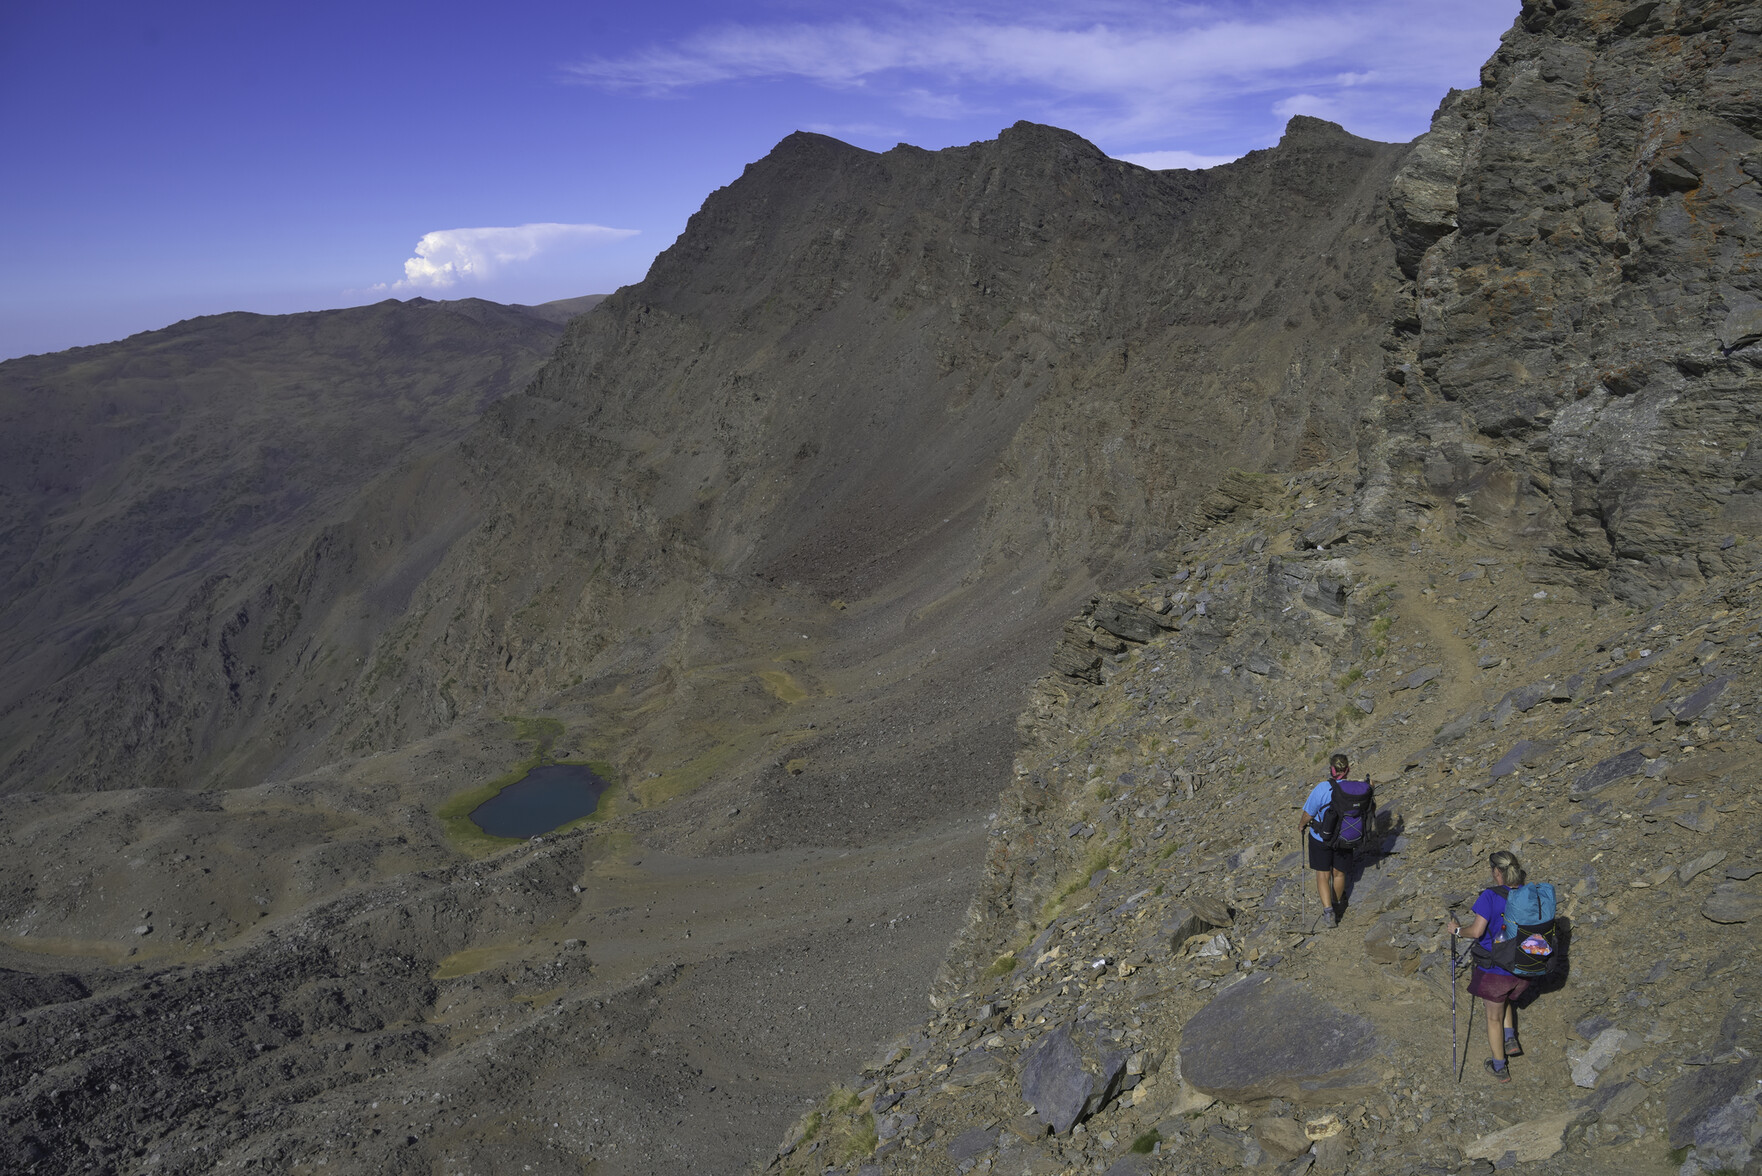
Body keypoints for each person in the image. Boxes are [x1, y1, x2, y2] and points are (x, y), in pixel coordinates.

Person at [1448, 850, 1530, 1082]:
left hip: (1495, 971)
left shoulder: (1490, 896)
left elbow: (1476, 932)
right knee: (1504, 1002)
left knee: (1492, 1016)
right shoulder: (1527, 893)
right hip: (1523, 967)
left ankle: (1499, 1067)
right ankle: (1510, 1038)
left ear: (1496, 871)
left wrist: (1455, 930)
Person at [1296, 753, 1365, 927]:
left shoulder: (1321, 788)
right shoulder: (1357, 788)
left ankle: (1328, 912)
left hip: (1322, 837)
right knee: (1339, 873)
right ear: (1348, 769)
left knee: (1323, 874)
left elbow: (1308, 814)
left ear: (1331, 770)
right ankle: (1337, 903)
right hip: (1346, 836)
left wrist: (1301, 825)